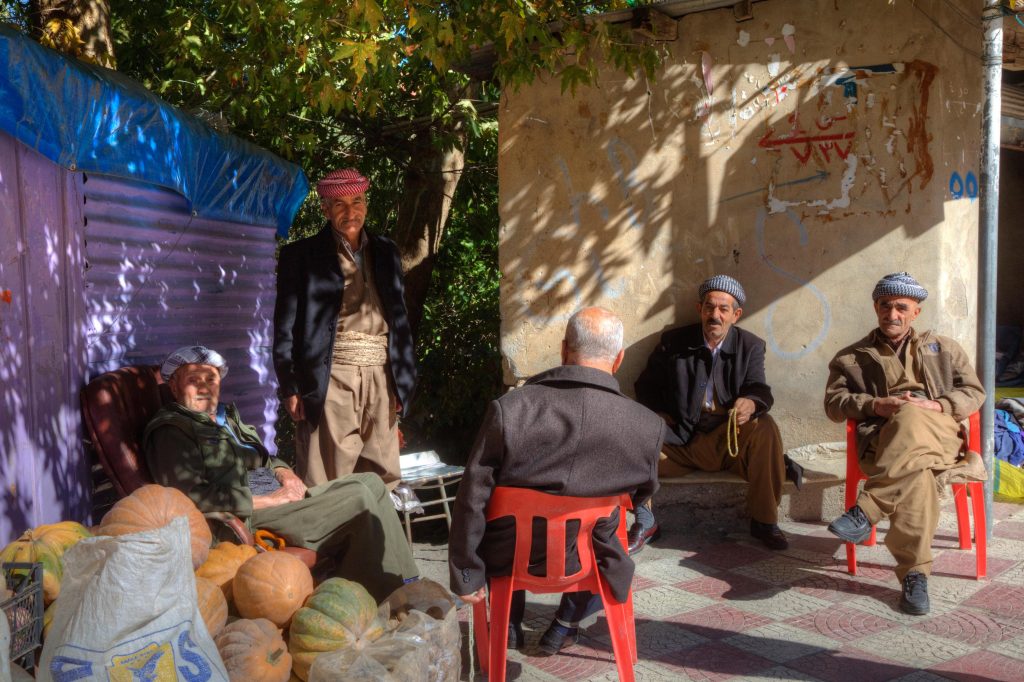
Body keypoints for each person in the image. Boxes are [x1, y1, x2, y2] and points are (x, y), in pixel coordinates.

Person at [448, 308, 665, 654]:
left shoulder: (511, 409)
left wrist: (466, 573)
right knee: (614, 530)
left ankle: (509, 625)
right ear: (619, 358)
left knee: (502, 517)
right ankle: (565, 623)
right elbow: (642, 495)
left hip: (508, 555)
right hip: (589, 558)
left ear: (564, 350)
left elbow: (472, 496)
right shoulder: (647, 426)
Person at [143, 346, 419, 602]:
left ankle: (409, 582)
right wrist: (271, 501)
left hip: (273, 496)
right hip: (246, 516)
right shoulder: (172, 430)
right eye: (194, 379)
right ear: (174, 385)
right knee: (357, 497)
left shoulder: (226, 417)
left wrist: (285, 474)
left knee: (370, 481)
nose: (204, 387)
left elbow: (264, 457)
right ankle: (389, 600)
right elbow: (189, 497)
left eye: (211, 379)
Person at [824, 273, 985, 615]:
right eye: (885, 306)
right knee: (918, 476)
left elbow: (974, 392)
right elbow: (834, 405)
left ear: (916, 312)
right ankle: (915, 576)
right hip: (883, 442)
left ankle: (867, 510)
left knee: (912, 415)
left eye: (901, 307)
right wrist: (874, 405)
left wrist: (936, 405)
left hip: (939, 433)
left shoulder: (944, 348)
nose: (892, 314)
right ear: (875, 308)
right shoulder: (851, 357)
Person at [273, 168, 416, 489]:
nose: (350, 212)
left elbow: (400, 319)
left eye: (357, 202)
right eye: (339, 205)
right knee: (327, 477)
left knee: (382, 476)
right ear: (325, 209)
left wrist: (402, 381)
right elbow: (284, 326)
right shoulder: (301, 256)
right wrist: (290, 385)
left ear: (366, 204)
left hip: (380, 377)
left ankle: (372, 538)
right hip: (331, 377)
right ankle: (327, 540)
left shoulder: (386, 252)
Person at [634, 275, 796, 552]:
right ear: (700, 309)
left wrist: (751, 402)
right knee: (635, 440)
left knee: (765, 426)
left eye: (723, 309)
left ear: (736, 314)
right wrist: (658, 413)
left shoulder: (750, 346)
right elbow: (645, 385)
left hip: (728, 446)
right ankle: (645, 520)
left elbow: (760, 387)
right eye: (710, 308)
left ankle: (765, 522)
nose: (715, 316)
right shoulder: (673, 342)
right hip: (681, 443)